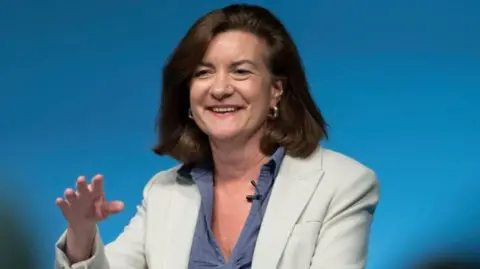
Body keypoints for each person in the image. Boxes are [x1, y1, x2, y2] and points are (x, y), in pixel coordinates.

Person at [54, 4, 380, 269]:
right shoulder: (163, 193)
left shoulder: (343, 184)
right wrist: (81, 233)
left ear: (276, 91)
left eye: (241, 71)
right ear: (188, 97)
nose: (220, 89)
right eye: (203, 72)